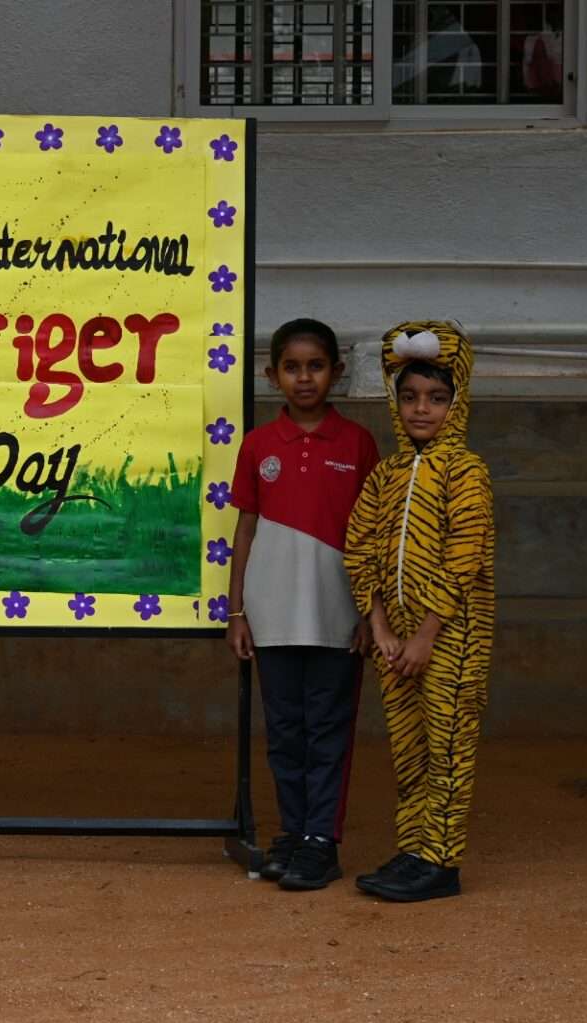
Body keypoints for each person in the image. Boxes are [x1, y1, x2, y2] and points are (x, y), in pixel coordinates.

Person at [345, 320, 495, 903]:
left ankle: (440, 860)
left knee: (448, 745)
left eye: (435, 398)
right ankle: (413, 849)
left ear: (456, 402)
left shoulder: (466, 471)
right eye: (409, 397)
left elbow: (464, 556)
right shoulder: (386, 475)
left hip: (450, 637)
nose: (421, 409)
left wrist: (426, 634)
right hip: (396, 641)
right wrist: (379, 625)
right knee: (409, 749)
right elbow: (360, 546)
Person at [227, 318, 380, 890]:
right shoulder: (258, 445)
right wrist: (237, 611)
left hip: (336, 615)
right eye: (292, 368)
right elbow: (245, 529)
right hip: (272, 615)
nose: (305, 377)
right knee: (286, 732)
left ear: (336, 372)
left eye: (316, 366)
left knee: (328, 730)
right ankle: (292, 831)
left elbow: (374, 534)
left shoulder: (358, 444)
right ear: (272, 377)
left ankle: (322, 841)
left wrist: (370, 612)